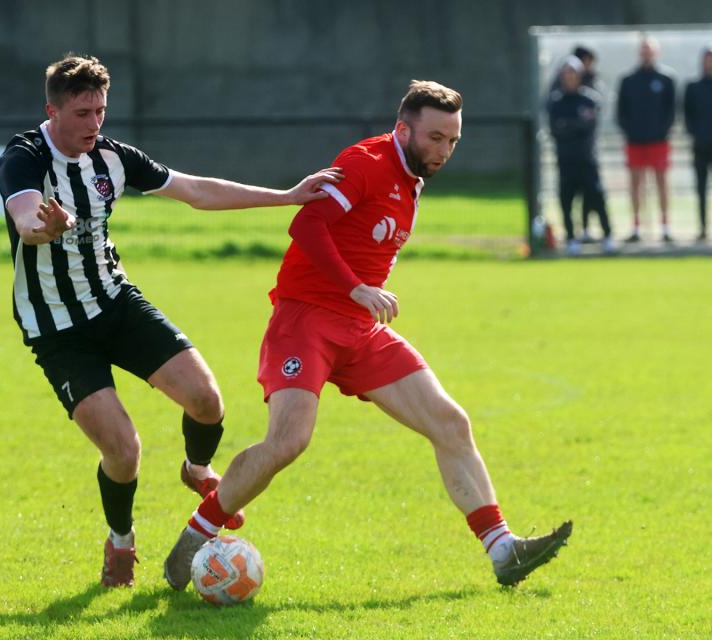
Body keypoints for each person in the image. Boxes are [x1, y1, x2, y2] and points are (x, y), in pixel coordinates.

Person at [164, 80, 573, 591]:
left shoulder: (412, 178)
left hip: (359, 329)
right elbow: (307, 227)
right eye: (435, 138)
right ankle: (196, 536)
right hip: (305, 319)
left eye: (452, 141)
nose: (444, 151)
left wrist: (359, 296)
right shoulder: (366, 162)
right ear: (403, 129)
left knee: (450, 422)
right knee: (289, 441)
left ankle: (503, 550)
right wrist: (356, 287)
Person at [0, 53, 342, 588]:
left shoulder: (111, 157)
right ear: (53, 110)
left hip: (115, 302)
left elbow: (196, 191)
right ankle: (120, 544)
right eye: (83, 113)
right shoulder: (23, 156)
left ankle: (197, 469)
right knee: (124, 449)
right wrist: (46, 224)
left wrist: (286, 196)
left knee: (207, 400)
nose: (95, 124)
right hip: (58, 327)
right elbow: (24, 220)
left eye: (101, 111)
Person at [547, 56, 615, 256]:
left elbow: (587, 127)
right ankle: (571, 237)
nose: (570, 78)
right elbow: (555, 129)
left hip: (587, 160)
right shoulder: (556, 101)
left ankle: (608, 236)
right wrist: (574, 124)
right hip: (565, 160)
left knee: (597, 197)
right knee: (567, 201)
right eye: (566, 74)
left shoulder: (589, 99)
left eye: (573, 74)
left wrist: (568, 125)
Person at [616, 37, 676, 243]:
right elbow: (620, 112)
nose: (646, 54)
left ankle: (665, 226)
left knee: (661, 183)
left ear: (655, 53)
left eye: (649, 51)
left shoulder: (666, 78)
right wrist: (631, 131)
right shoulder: (628, 80)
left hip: (659, 141)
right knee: (635, 184)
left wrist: (661, 131)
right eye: (643, 50)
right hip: (635, 141)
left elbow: (671, 111)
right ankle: (636, 227)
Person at [684, 46, 712, 242]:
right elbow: (688, 116)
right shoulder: (693, 87)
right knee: (701, 188)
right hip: (701, 145)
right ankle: (702, 227)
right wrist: (696, 134)